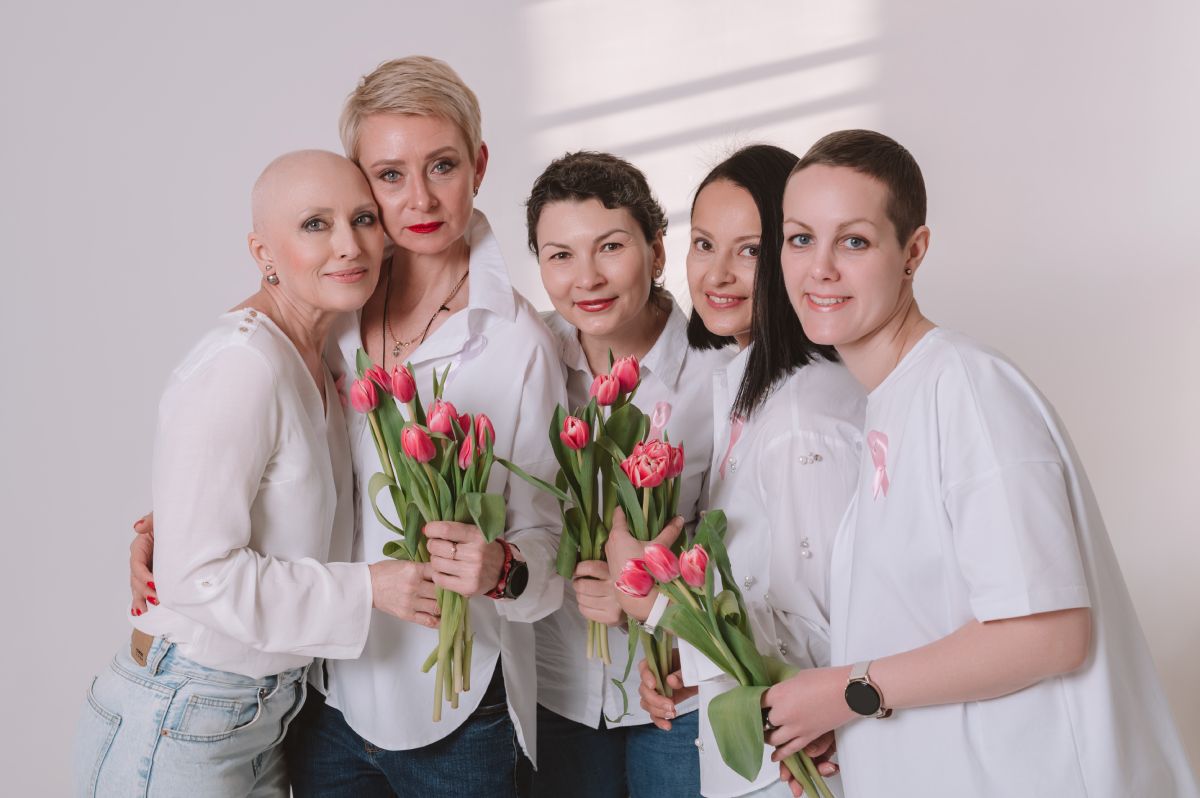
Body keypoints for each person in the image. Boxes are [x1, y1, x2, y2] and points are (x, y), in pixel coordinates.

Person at [128, 57, 567, 797]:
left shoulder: (519, 342)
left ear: (480, 165)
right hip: (316, 696)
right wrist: (176, 525)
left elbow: (546, 548)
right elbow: (262, 432)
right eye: (389, 176)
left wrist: (503, 568)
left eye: (442, 166)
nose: (419, 197)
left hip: (453, 706)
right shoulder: (335, 297)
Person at [762, 129, 1200, 797]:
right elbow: (926, 636)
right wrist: (847, 718)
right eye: (800, 238)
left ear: (913, 252)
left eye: (853, 241)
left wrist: (847, 692)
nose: (820, 268)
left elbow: (1047, 635)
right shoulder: (891, 402)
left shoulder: (965, 387)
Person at [72, 150, 428, 797]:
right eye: (315, 224)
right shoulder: (242, 364)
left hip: (263, 717)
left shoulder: (326, 355)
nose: (348, 245)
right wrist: (367, 588)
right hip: (181, 716)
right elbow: (197, 574)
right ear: (263, 252)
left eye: (363, 219)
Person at [614, 145, 862, 798]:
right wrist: (686, 660)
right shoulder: (747, 389)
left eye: (749, 250)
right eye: (703, 244)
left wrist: (654, 607)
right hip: (758, 755)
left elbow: (823, 637)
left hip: (801, 771)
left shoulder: (805, 415)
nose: (717, 273)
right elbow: (763, 595)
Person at [525, 151, 733, 798]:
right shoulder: (528, 357)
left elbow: (755, 548)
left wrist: (649, 595)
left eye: (610, 247)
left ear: (657, 250)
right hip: (556, 687)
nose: (586, 278)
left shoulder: (721, 372)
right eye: (560, 255)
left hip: (678, 692)